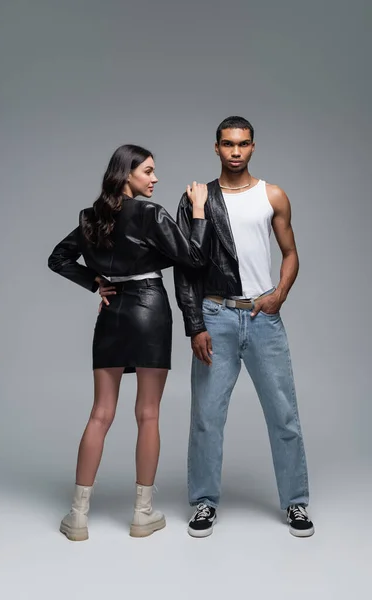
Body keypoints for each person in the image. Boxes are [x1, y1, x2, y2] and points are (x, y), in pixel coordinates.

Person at [48, 144, 210, 541]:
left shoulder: (91, 218)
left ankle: (78, 517)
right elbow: (193, 257)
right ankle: (142, 515)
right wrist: (200, 210)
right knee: (148, 414)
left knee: (100, 413)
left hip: (112, 312)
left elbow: (58, 258)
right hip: (150, 311)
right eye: (148, 172)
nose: (155, 179)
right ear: (126, 175)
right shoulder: (151, 213)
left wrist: (96, 283)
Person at [174, 116, 314, 538]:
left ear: (253, 147)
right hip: (215, 316)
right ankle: (203, 503)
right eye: (228, 144)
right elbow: (185, 269)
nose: (236, 151)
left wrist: (279, 295)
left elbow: (291, 254)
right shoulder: (198, 198)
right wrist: (195, 324)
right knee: (206, 417)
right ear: (216, 147)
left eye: (244, 144)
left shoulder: (273, 195)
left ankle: (296, 503)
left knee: (283, 414)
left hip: (262, 316)